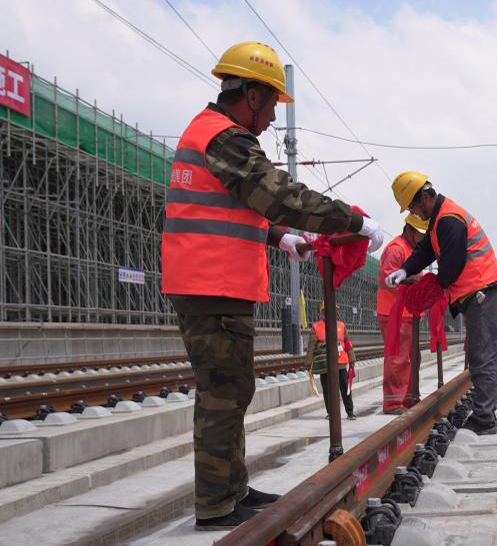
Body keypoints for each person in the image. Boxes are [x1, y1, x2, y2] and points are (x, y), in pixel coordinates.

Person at [161, 42, 386, 529]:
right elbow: (278, 193)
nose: (271, 121)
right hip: (212, 285)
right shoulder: (227, 139)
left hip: (210, 283)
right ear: (255, 95)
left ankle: (231, 489)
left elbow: (229, 207)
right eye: (272, 107)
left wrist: (281, 238)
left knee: (232, 388)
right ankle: (217, 503)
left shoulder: (207, 134)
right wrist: (350, 220)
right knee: (223, 391)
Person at [385, 171, 497, 435]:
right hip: (478, 292)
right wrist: (405, 269)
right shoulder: (440, 218)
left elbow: (452, 264)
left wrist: (434, 286)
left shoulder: (448, 220)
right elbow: (427, 248)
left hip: (483, 291)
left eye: (414, 207)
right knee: (478, 354)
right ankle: (486, 413)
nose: (414, 213)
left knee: (483, 355)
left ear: (426, 197)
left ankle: (485, 418)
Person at [377, 214, 428, 414]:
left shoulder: (411, 249)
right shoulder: (396, 249)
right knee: (398, 358)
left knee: (412, 357)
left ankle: (408, 398)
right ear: (409, 229)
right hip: (395, 312)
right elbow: (389, 280)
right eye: (421, 234)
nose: (423, 238)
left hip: (408, 312)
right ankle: (392, 403)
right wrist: (414, 282)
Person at [307, 304, 356, 420]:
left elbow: (347, 344)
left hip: (341, 363)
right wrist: (308, 362)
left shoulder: (341, 326)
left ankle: (350, 412)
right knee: (327, 390)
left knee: (345, 388)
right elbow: (311, 347)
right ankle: (331, 413)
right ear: (323, 312)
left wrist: (352, 359)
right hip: (325, 365)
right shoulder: (316, 327)